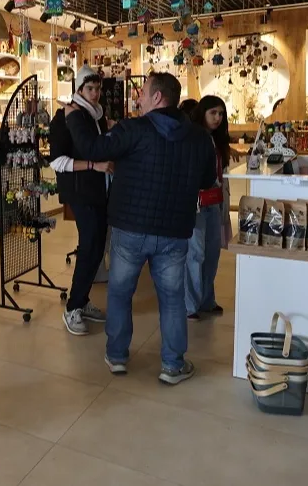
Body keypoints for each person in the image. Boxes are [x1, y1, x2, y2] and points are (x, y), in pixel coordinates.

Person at [65, 72, 216, 385]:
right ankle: (173, 365)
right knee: (172, 299)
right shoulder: (200, 137)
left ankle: (117, 356)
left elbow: (93, 149)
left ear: (158, 97)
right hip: (174, 230)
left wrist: (74, 117)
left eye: (143, 92)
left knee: (120, 293)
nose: (139, 97)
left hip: (129, 228)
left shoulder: (133, 129)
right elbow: (205, 180)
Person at [49, 66, 112, 336]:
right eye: (90, 88)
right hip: (79, 191)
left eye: (98, 89)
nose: (95, 93)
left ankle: (82, 300)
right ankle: (72, 307)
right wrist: (92, 166)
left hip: (97, 191)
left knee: (97, 247)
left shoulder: (95, 116)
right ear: (79, 89)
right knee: (89, 246)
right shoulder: (65, 117)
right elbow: (57, 161)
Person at [185, 96, 232, 321]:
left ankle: (206, 300)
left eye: (221, 114)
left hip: (214, 201)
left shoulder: (217, 140)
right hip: (196, 202)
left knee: (212, 253)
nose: (217, 118)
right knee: (195, 253)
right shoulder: (192, 137)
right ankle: (190, 304)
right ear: (202, 112)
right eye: (213, 112)